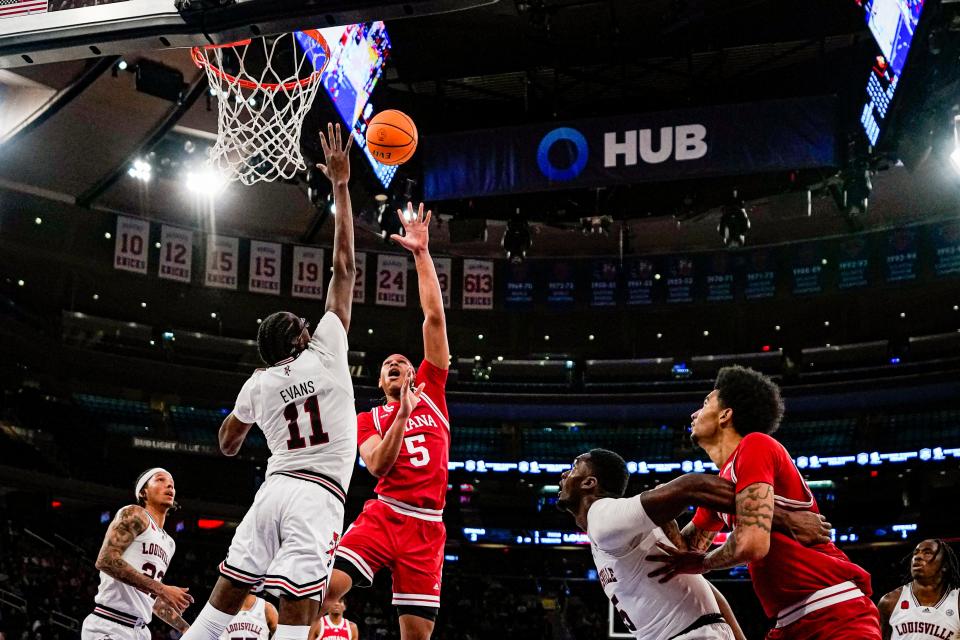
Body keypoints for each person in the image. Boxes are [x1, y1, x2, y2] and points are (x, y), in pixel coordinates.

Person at [181, 123, 357, 640]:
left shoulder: (258, 382)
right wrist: (342, 188)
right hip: (317, 496)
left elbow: (228, 444)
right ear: (301, 337)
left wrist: (246, 420)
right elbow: (343, 267)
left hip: (273, 489)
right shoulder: (325, 348)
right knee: (302, 610)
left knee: (226, 597)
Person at [647, 365, 881, 639]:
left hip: (835, 609)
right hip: (789, 621)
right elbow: (684, 553)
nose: (694, 413)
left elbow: (751, 544)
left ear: (725, 415)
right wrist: (664, 505)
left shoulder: (755, 445)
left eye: (705, 402)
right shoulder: (718, 486)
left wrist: (706, 562)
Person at [327, 201, 450, 640]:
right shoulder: (369, 417)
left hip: (428, 527)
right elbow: (377, 465)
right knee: (323, 595)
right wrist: (401, 414)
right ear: (381, 381)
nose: (396, 363)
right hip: (385, 514)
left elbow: (433, 317)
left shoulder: (434, 393)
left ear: (416, 372)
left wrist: (421, 253)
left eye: (403, 361)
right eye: (388, 364)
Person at [558, 449, 833, 640]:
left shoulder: (601, 515)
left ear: (589, 483)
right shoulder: (617, 532)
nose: (564, 476)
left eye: (572, 468)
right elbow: (702, 588)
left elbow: (691, 486)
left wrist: (782, 518)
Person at [82, 468, 192, 639]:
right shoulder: (135, 514)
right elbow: (105, 560)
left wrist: (186, 629)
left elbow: (149, 596)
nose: (169, 484)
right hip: (110, 624)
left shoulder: (169, 543)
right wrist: (162, 589)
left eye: (172, 483)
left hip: (140, 631)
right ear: (143, 492)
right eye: (160, 479)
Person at [877, 539, 960, 640]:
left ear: (945, 565)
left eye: (927, 553)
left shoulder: (957, 601)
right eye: (915, 553)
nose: (918, 557)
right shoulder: (890, 601)